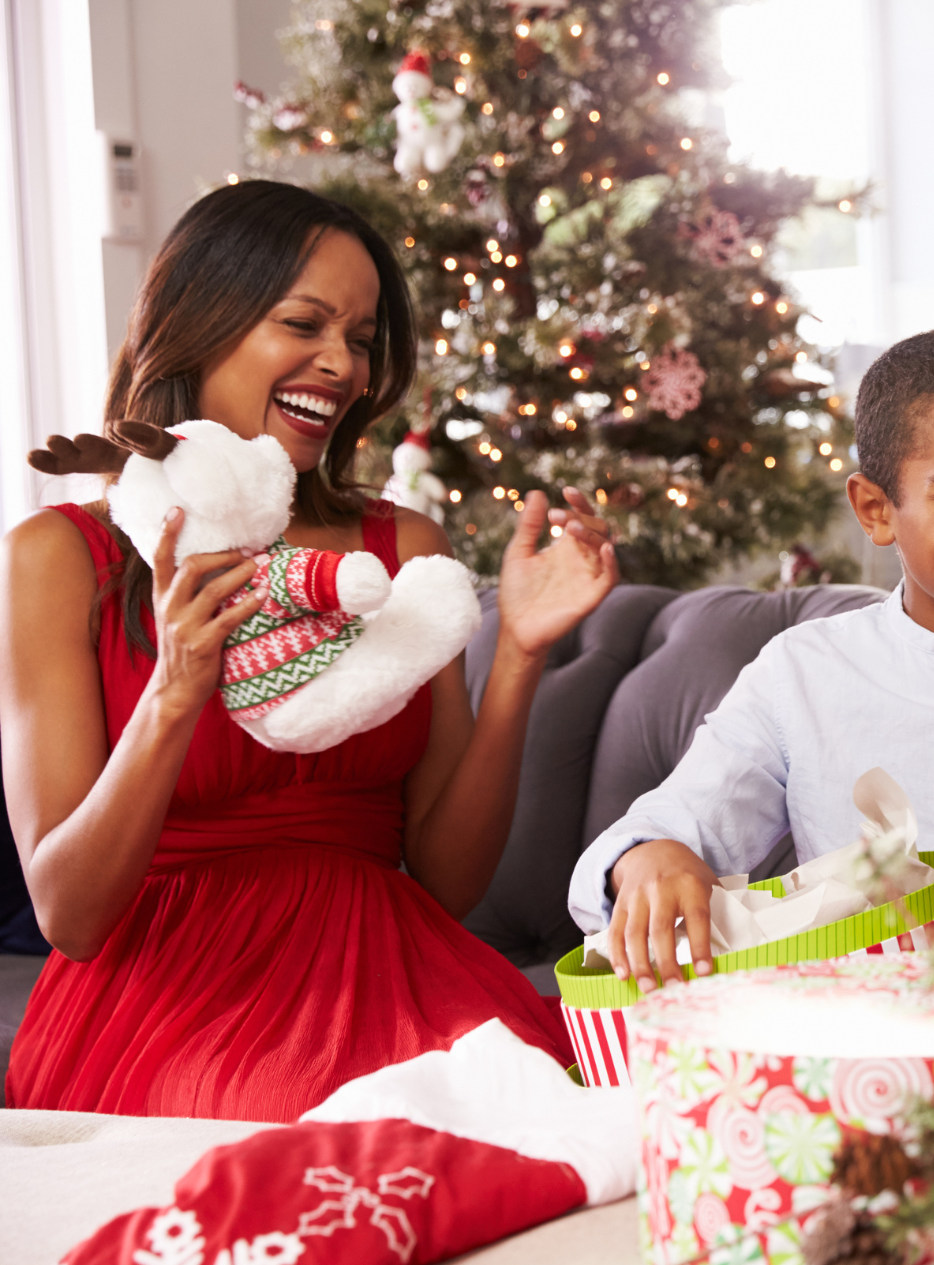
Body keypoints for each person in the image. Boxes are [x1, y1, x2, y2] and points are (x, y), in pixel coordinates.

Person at [0, 181, 618, 1122]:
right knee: (334, 1133)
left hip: (392, 960)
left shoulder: (402, 550)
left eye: (363, 339)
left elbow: (448, 882)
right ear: (198, 324)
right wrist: (173, 696)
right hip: (169, 995)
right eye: (305, 323)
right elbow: (69, 914)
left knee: (548, 1106)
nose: (343, 365)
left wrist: (520, 659)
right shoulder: (57, 560)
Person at [569, 327, 934, 989]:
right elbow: (657, 830)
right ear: (876, 510)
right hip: (852, 1054)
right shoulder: (801, 674)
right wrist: (652, 857)